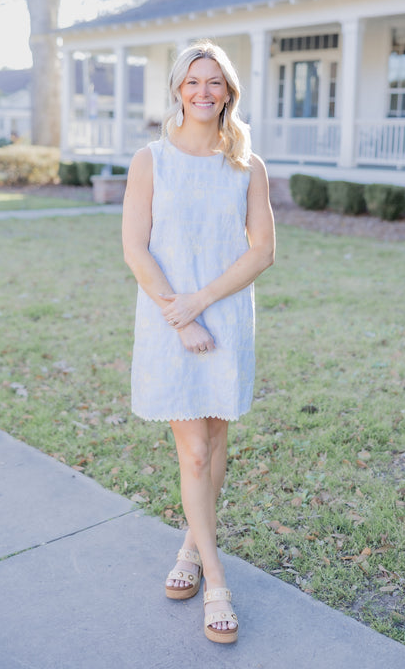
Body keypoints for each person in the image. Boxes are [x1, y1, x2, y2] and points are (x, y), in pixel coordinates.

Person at [122, 40, 275, 644]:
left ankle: (190, 546)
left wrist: (202, 303)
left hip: (226, 315)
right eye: (193, 81)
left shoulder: (247, 164)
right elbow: (136, 249)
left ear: (228, 90)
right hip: (168, 322)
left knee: (214, 441)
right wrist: (180, 316)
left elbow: (262, 251)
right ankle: (216, 580)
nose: (204, 92)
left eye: (214, 82)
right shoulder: (150, 160)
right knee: (192, 453)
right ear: (178, 90)